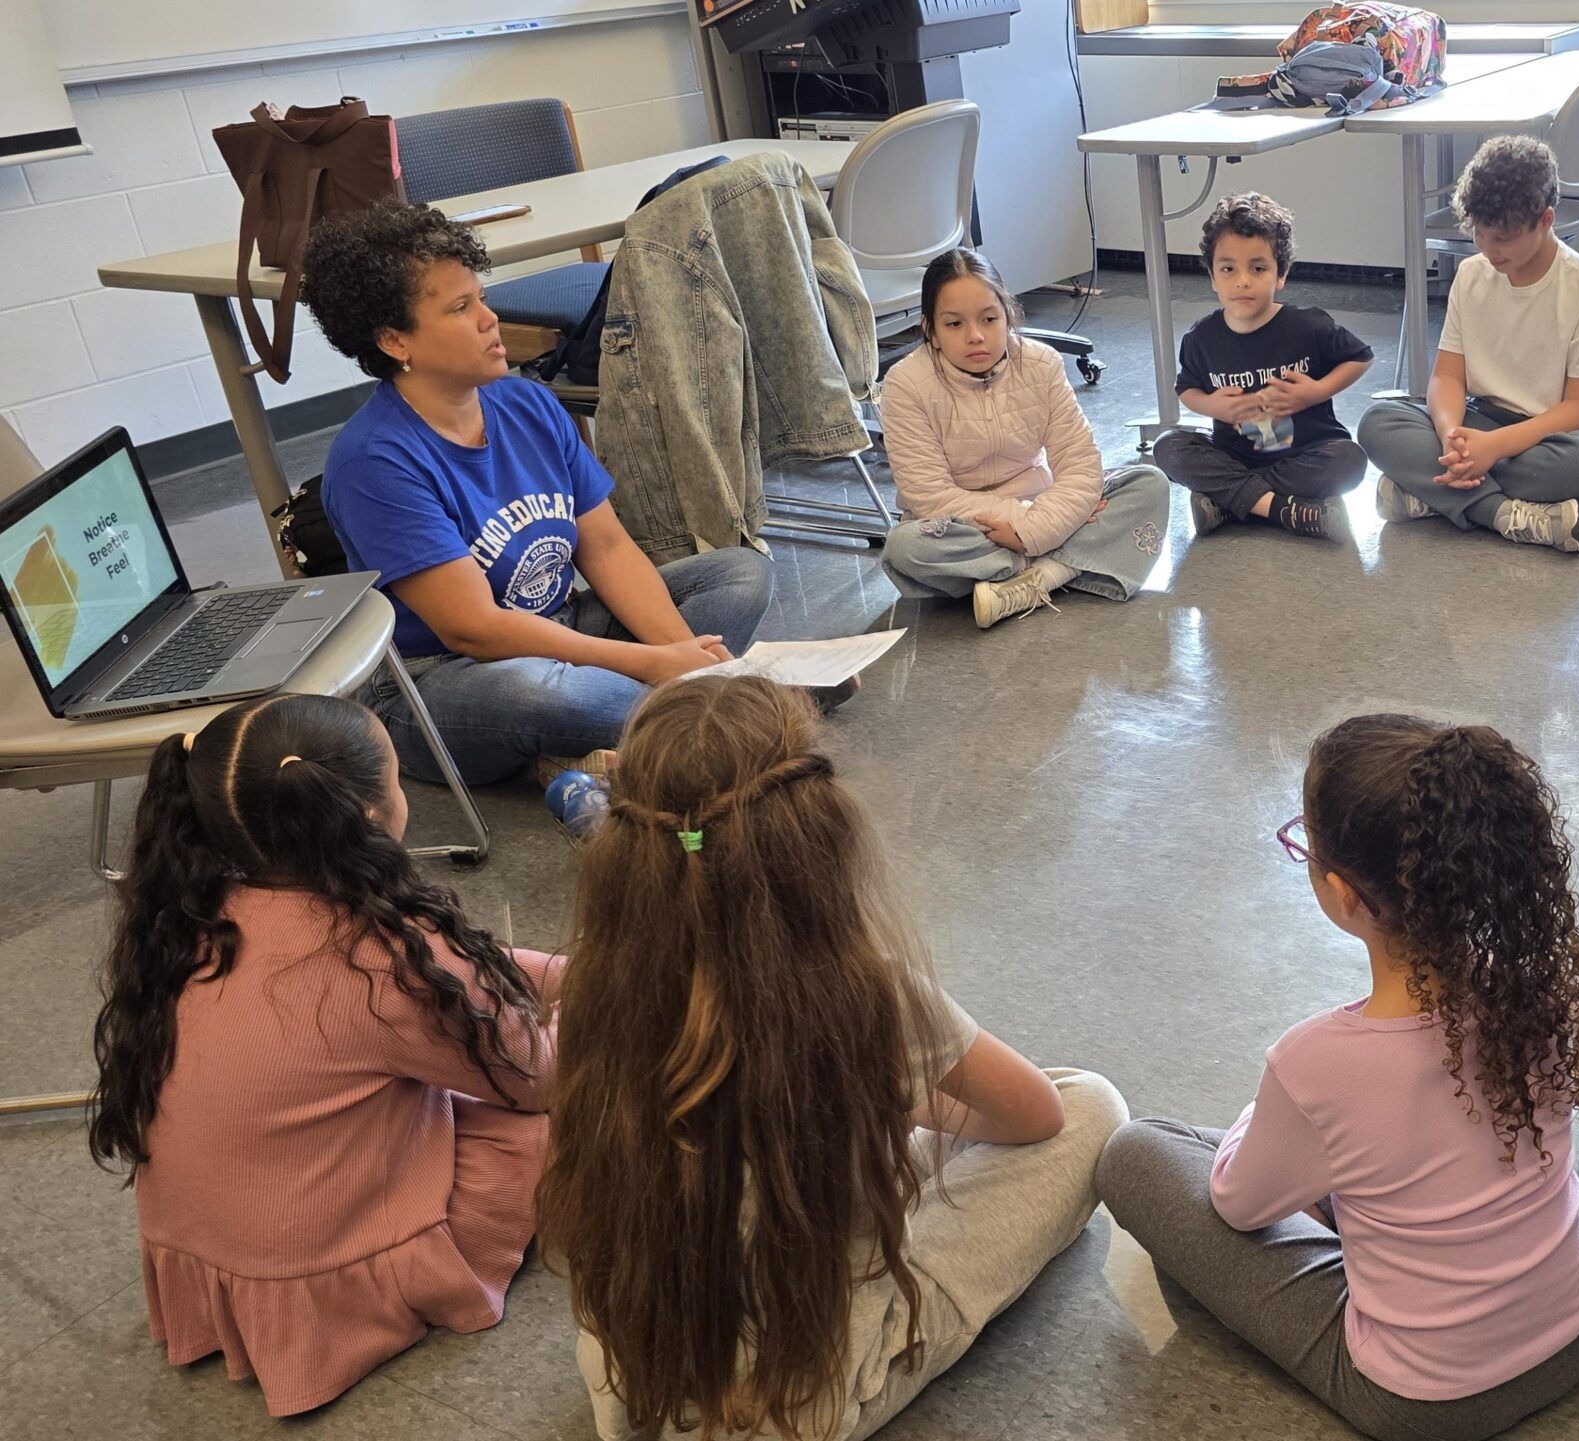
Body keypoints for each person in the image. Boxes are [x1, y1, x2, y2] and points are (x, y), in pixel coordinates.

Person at [540, 676, 1127, 1440]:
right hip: (792, 1405)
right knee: (1091, 1104)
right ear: (818, 830)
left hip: (632, 1382)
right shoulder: (861, 988)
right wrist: (888, 1091)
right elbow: (1034, 1116)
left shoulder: (594, 980)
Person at [1097, 714, 1579, 1440]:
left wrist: (1284, 1134)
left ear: (1346, 895)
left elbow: (1237, 1205)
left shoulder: (1316, 1060)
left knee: (1137, 1150)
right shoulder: (1535, 995)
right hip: (1571, 1337)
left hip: (1421, 1401)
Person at [86, 692, 558, 1415]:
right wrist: (610, 998)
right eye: (398, 778)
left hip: (219, 1253)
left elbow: (466, 970)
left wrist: (558, 973)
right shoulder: (388, 957)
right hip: (329, 1271)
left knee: (453, 1062)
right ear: (372, 816)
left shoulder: (190, 907)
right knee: (557, 1113)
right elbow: (536, 1080)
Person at [302, 203, 773, 786]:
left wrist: (683, 664)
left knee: (739, 573)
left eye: (480, 297)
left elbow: (607, 551)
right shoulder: (375, 460)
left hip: (558, 625)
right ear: (395, 340)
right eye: (460, 308)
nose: (489, 319)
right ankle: (728, 717)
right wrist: (652, 663)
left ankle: (654, 731)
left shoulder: (526, 402)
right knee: (538, 691)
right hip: (447, 679)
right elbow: (473, 630)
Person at [1355, 137, 1579, 553]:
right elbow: (1447, 375)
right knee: (1377, 422)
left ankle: (1431, 496)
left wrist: (1492, 449)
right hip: (1477, 420)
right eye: (1478, 233)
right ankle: (1505, 515)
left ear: (1545, 220)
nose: (1487, 248)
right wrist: (1452, 439)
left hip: (1546, 437)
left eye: (1502, 237)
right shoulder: (1471, 274)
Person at [879, 247, 1174, 628]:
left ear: (1008, 316)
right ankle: (1059, 566)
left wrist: (1035, 527)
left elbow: (1080, 463)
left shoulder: (1042, 363)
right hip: (965, 524)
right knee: (906, 547)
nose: (975, 336)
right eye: (954, 325)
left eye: (989, 319)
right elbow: (929, 494)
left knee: (1147, 483)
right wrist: (1025, 525)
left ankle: (1033, 580)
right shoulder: (904, 384)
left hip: (1041, 503)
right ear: (929, 330)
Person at [1155, 192, 1374, 542]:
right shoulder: (1202, 338)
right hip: (1235, 456)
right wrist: (1214, 406)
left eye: (1258, 269)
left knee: (1349, 460)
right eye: (1228, 269)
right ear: (1213, 277)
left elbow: (1360, 357)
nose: (1242, 280)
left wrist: (1315, 392)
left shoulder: (1309, 326)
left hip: (1306, 453)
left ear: (1281, 275)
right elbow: (1187, 389)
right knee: (1168, 447)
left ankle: (1231, 503)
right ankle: (1286, 510)